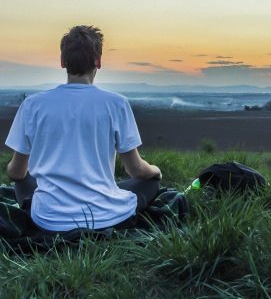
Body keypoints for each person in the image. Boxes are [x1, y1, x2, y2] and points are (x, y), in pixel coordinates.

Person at [4, 25, 162, 232]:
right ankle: (106, 198)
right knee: (150, 183)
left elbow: (15, 173)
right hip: (106, 217)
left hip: (48, 219)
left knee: (23, 179)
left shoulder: (32, 104)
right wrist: (156, 171)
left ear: (63, 62)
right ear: (98, 61)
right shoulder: (117, 103)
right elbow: (136, 170)